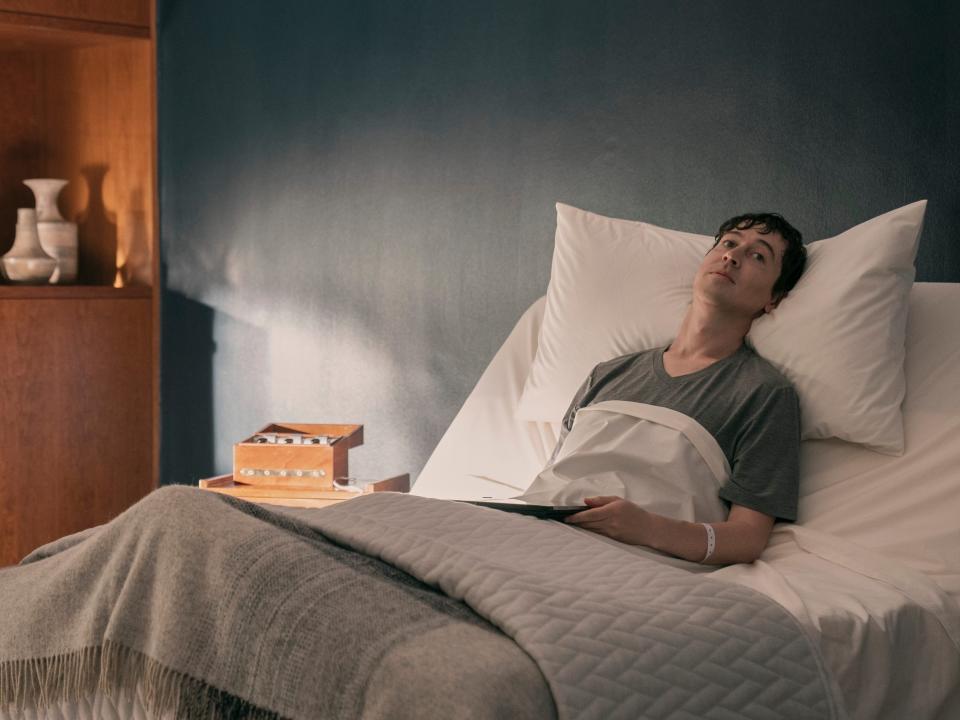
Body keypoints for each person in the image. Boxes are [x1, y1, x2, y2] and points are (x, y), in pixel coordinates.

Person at [560, 213, 807, 565]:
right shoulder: (607, 373)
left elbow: (748, 539)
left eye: (758, 256)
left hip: (627, 561)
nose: (732, 256)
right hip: (535, 534)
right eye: (729, 243)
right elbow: (554, 478)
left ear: (775, 298)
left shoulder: (764, 394)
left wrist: (647, 528)